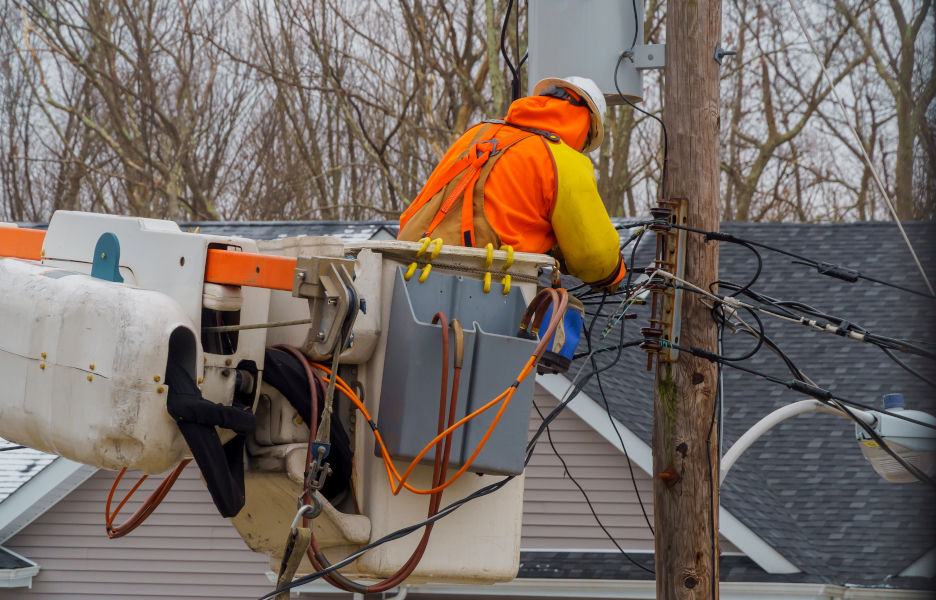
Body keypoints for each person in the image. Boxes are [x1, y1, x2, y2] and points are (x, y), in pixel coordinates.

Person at [398, 76, 626, 289]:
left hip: (404, 263)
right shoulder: (563, 158)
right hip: (474, 282)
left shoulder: (478, 132)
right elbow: (596, 258)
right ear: (585, 127)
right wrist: (616, 275)